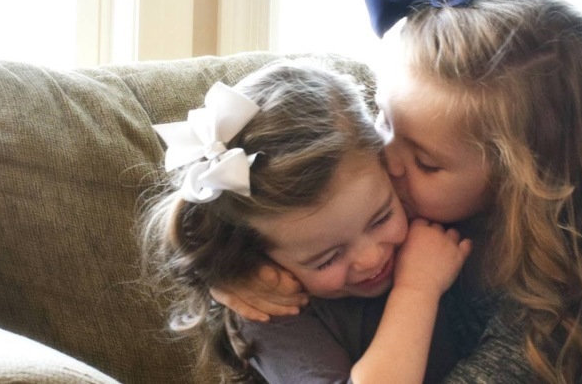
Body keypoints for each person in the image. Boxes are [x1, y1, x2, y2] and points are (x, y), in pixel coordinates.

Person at [215, 0, 582, 382]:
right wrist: (230, 268)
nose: (388, 160)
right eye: (383, 121)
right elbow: (259, 172)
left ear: (524, 184)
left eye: (425, 162)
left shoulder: (554, 300)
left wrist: (416, 288)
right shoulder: (398, 211)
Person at [139, 60, 474, 383]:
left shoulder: (429, 214)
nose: (370, 258)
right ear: (260, 257)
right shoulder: (273, 311)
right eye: (327, 258)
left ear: (386, 165)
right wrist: (417, 289)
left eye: (381, 218)